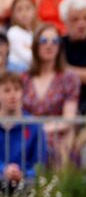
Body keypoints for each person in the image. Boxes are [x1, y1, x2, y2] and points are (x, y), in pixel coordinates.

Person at [22, 24, 80, 161]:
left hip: (57, 140)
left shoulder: (69, 78)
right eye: (44, 41)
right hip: (27, 139)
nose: (49, 45)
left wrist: (41, 130)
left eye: (55, 41)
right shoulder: (23, 78)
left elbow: (68, 119)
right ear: (36, 45)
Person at [0, 72, 47, 189]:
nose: (13, 95)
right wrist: (4, 170)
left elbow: (40, 162)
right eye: (7, 90)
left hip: (26, 182)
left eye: (17, 89)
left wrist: (23, 174)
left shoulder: (34, 125)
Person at [6, 0, 37, 72]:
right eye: (19, 10)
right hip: (16, 73)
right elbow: (27, 57)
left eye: (28, 8)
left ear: (34, 11)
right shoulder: (13, 32)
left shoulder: (34, 33)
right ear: (13, 14)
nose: (24, 13)